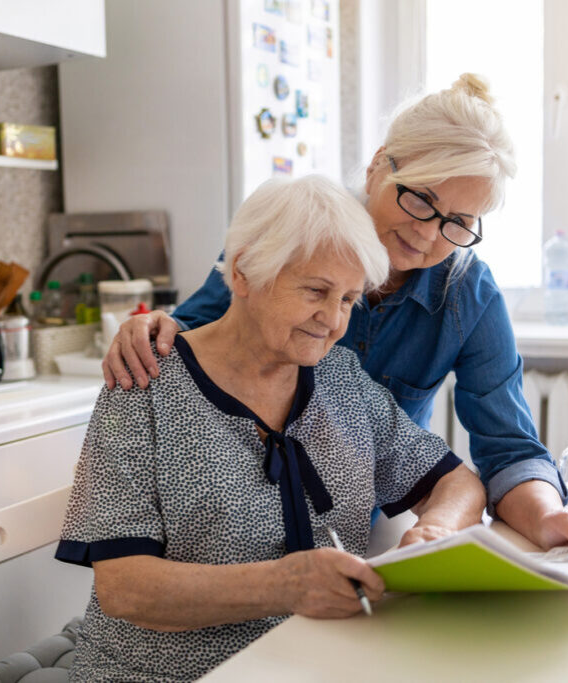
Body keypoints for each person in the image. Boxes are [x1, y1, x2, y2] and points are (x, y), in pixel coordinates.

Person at [102, 73, 568, 552]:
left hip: (360, 529)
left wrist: (550, 517)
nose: (426, 233)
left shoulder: (468, 294)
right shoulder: (291, 234)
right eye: (421, 198)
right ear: (378, 166)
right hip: (232, 530)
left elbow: (509, 450)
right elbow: (195, 339)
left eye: (458, 221)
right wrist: (151, 327)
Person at [56, 175, 486, 682]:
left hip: (315, 665)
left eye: (349, 299)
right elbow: (125, 588)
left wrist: (434, 531)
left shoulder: (340, 378)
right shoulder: (145, 383)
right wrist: (284, 585)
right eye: (315, 291)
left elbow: (457, 482)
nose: (331, 320)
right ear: (243, 273)